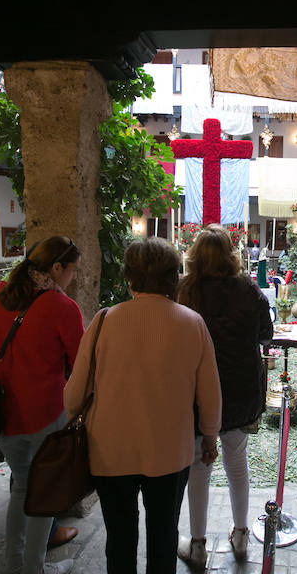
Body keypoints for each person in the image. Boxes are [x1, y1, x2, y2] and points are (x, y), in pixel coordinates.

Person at [64, 237, 222, 574]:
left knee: (119, 540)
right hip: (169, 452)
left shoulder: (103, 322)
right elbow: (210, 395)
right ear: (172, 276)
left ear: (129, 276)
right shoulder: (192, 323)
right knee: (164, 539)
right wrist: (209, 437)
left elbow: (73, 398)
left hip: (110, 451)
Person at [0, 236, 84, 574]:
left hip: (2, 414)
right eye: (73, 270)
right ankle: (35, 568)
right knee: (43, 493)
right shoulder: (62, 307)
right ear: (57, 267)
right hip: (46, 414)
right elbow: (81, 363)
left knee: (21, 486)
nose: (73, 278)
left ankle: (15, 565)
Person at [176, 224, 273, 568]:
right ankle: (242, 535)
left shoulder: (184, 291)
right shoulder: (248, 289)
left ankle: (199, 544)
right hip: (240, 391)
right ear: (230, 254)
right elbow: (266, 334)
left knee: (199, 467)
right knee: (236, 461)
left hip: (196, 392)